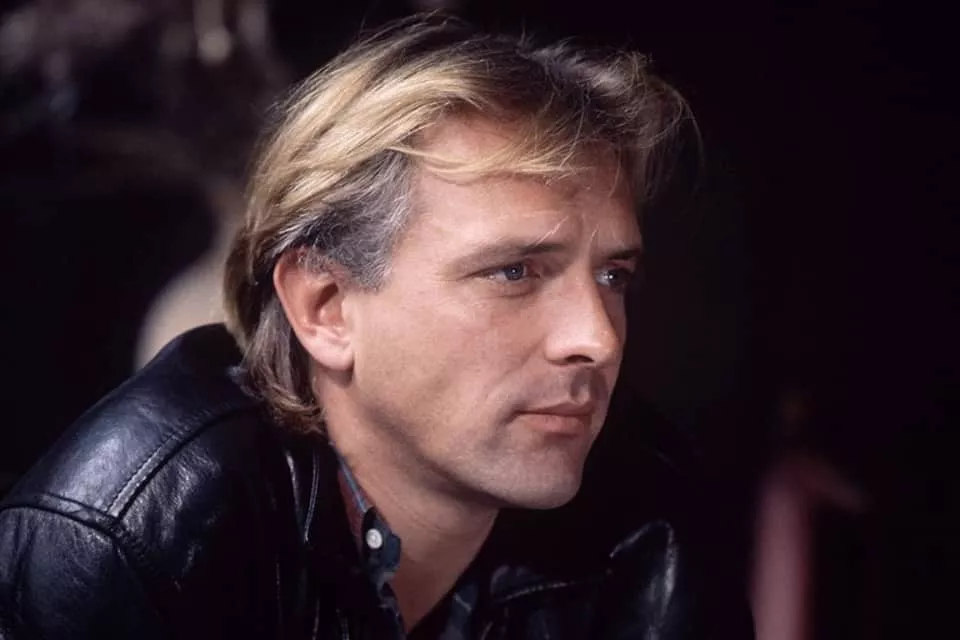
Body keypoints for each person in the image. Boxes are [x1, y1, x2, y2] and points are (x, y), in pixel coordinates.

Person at [0, 15, 754, 639]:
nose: (598, 338)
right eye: (514, 272)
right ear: (325, 307)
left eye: (613, 276)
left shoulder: (653, 531)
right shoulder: (131, 540)